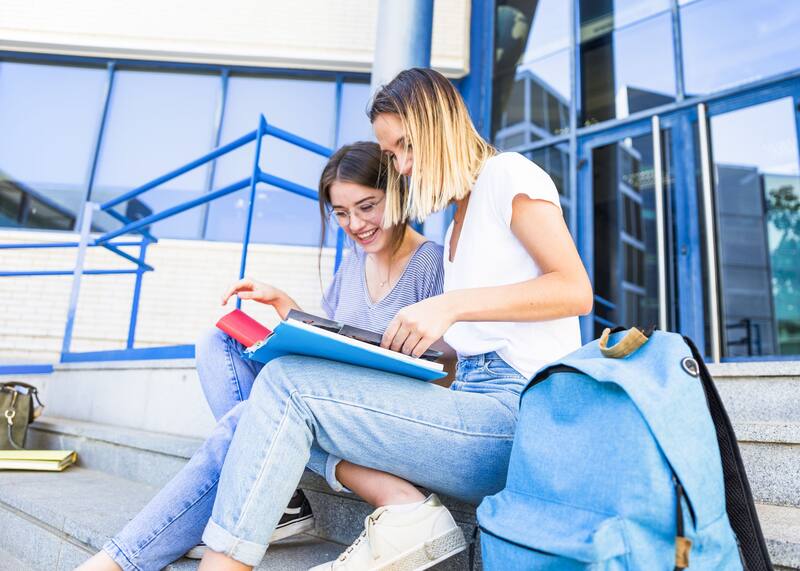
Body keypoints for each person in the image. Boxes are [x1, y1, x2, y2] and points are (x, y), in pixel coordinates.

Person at [194, 67, 593, 571]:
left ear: (440, 124)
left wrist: (449, 305)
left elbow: (574, 289)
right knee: (274, 399)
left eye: (407, 146)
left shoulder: (509, 175)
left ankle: (222, 563)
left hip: (517, 415)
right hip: (470, 403)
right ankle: (404, 516)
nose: (402, 166)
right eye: (392, 155)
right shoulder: (456, 221)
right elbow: (459, 352)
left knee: (284, 387)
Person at [76, 141, 448, 571]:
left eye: (367, 206)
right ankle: (283, 499)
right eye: (342, 213)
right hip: (329, 402)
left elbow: (446, 377)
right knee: (219, 341)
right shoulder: (353, 263)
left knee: (247, 419)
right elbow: (340, 338)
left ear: (399, 192)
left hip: (382, 419)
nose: (356, 224)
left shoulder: (431, 264)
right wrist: (287, 308)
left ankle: (119, 561)